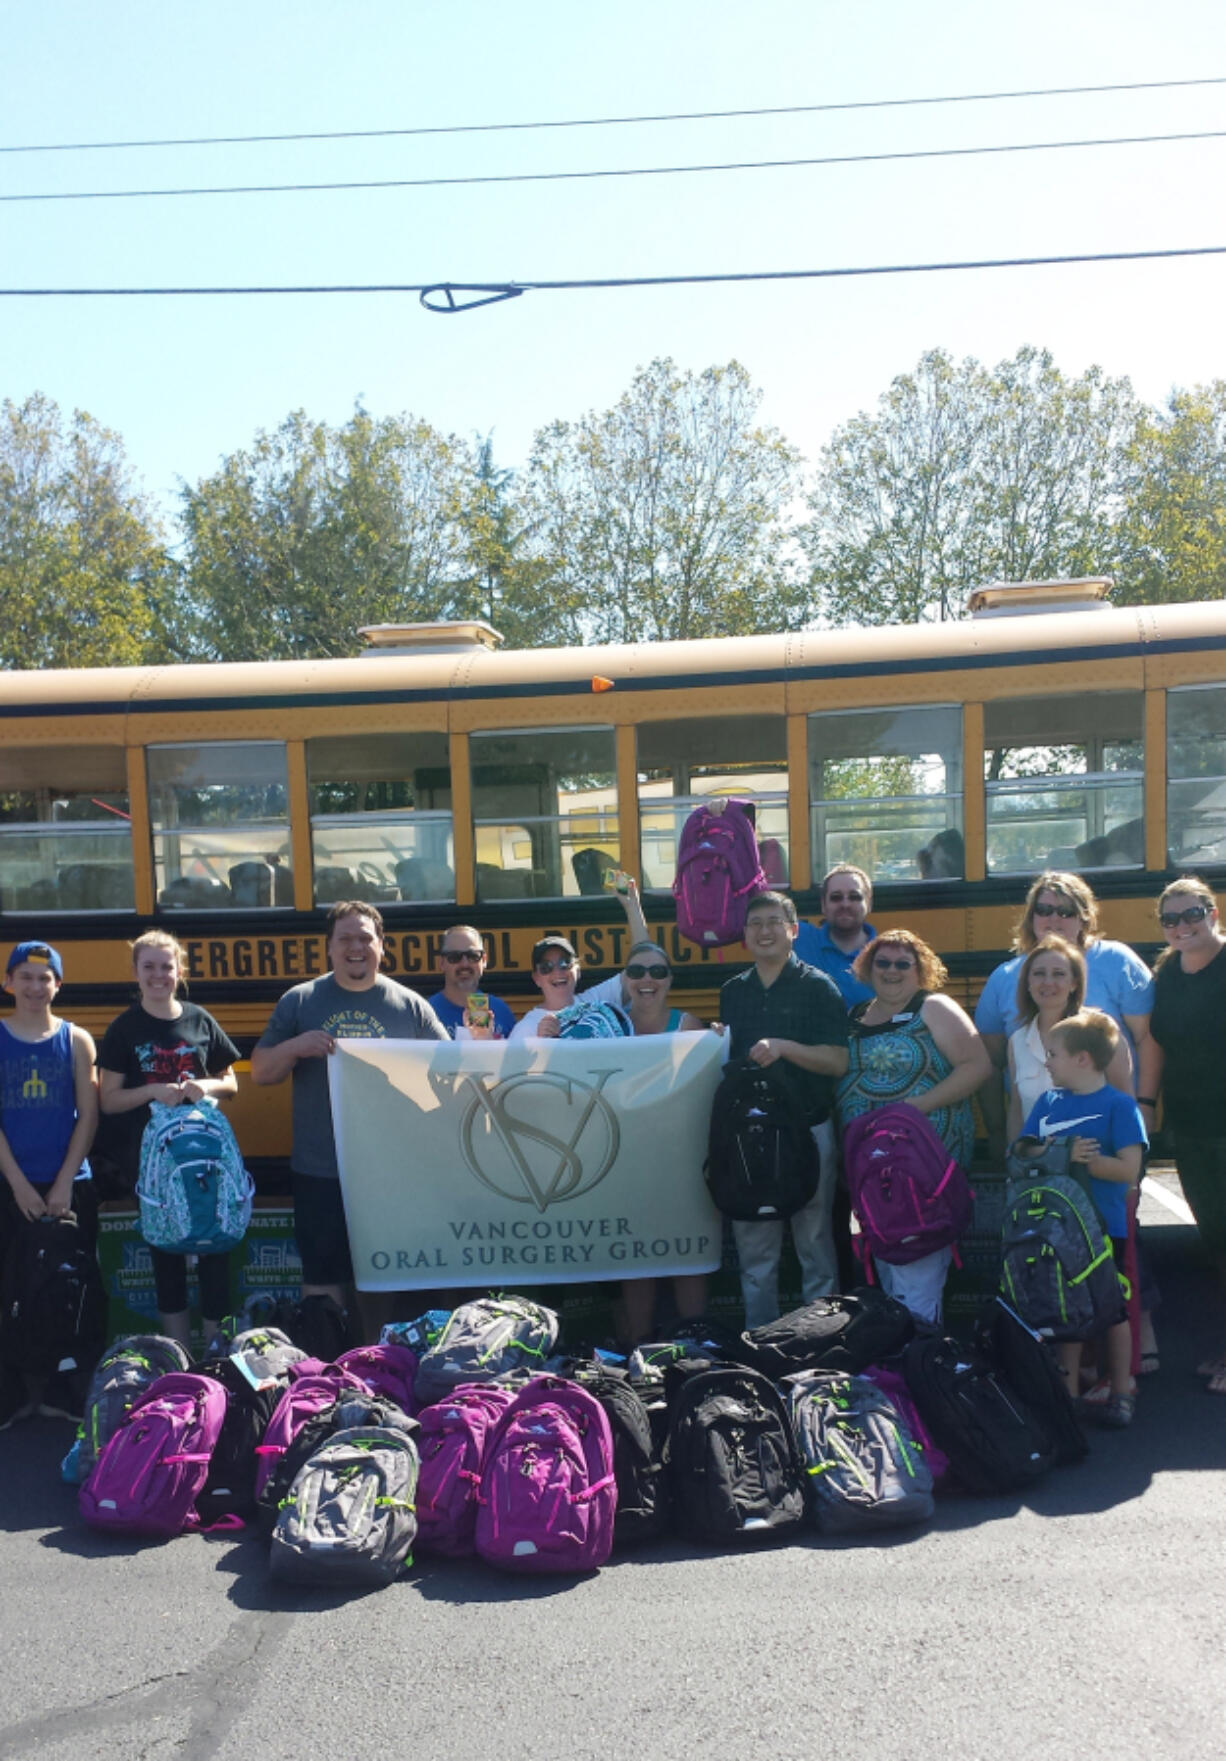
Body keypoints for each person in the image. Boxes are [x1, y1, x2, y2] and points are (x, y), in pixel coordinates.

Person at [250, 901, 447, 1330]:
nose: (356, 947)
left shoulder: (411, 1007)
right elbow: (262, 1071)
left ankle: (379, 1363)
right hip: (320, 1168)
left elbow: (449, 1076)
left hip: (390, 1171)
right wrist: (296, 1047)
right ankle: (324, 1366)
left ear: (382, 946)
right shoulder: (301, 1001)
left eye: (365, 938)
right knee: (322, 1276)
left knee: (386, 1275)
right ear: (329, 947)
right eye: (346, 939)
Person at [837, 929, 991, 1323]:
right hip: (872, 1170)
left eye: (903, 964)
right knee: (890, 1268)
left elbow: (977, 1066)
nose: (891, 971)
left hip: (922, 1169)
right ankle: (905, 1362)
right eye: (882, 962)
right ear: (867, 968)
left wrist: (915, 1108)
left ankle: (922, 1362)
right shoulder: (855, 1016)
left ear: (920, 970)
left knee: (917, 1270)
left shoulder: (933, 1008)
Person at [97, 931, 239, 1351]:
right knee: (167, 1257)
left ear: (179, 971)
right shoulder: (124, 1028)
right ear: (136, 973)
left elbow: (231, 1083)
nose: (159, 975)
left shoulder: (199, 1019)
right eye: (149, 967)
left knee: (216, 1252)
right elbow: (108, 1100)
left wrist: (204, 1084)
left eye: (166, 967)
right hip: (154, 1165)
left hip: (204, 1157)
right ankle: (179, 1358)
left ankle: (217, 1357)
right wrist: (153, 1091)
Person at [719, 891, 850, 1328]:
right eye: (755, 923)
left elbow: (837, 1061)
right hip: (750, 1135)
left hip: (808, 1129)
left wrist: (785, 1048)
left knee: (814, 1239)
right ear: (744, 936)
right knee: (755, 1246)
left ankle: (820, 1335)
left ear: (794, 931)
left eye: (775, 922)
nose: (765, 931)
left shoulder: (818, 988)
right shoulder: (733, 992)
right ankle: (760, 1338)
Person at [975, 871, 1159, 1159]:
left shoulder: (1117, 962)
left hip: (1104, 1148)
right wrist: (1002, 1138)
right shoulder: (1004, 979)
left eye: (1066, 911)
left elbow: (1147, 1038)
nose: (1054, 919)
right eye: (1044, 910)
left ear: (1084, 917)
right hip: (1035, 1154)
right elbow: (990, 1061)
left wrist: (1145, 1106)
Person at [1020, 1008, 1146, 1428]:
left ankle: (1122, 1392)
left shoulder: (1120, 1106)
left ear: (1082, 1059)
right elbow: (1023, 1151)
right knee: (1065, 1311)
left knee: (1114, 1310)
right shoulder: (1048, 1102)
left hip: (1104, 1228)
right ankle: (1068, 1395)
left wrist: (1088, 1161)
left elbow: (1129, 1169)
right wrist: (1058, 1153)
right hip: (1055, 1230)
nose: (1046, 1062)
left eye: (1053, 1053)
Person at [0, 941, 99, 1428]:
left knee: (69, 1289)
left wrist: (63, 1183)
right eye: (26, 977)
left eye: (45, 978)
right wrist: (17, 1183)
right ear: (8, 983)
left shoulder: (76, 1040)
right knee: (9, 1283)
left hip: (67, 1186)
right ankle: (12, 1390)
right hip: (11, 1182)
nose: (35, 987)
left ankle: (64, 1387)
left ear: (59, 985)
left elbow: (88, 1115)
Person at [1148, 877, 1226, 1394]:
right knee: (1216, 1241)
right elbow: (1155, 1042)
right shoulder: (1168, 973)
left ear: (1213, 911)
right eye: (1170, 919)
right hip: (1195, 1128)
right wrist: (1146, 1112)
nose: (1182, 926)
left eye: (1192, 914)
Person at [617, 939, 707, 1341]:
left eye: (656, 972)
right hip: (626, 1158)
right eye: (636, 972)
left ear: (669, 980)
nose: (646, 980)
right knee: (638, 1261)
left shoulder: (689, 1026)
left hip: (680, 1157)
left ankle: (694, 1345)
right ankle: (638, 1348)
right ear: (625, 980)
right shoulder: (609, 1026)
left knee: (687, 1255)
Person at [1006, 936, 1132, 1140]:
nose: (1048, 982)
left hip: (1094, 1162)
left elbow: (1124, 1100)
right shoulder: (1017, 1041)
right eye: (1039, 974)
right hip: (1038, 1164)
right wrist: (1015, 1157)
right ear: (1028, 983)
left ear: (1074, 983)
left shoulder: (1101, 1029)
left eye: (1059, 974)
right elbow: (1017, 1110)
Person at [509, 876, 650, 1040]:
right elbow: (517, 1065)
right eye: (546, 967)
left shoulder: (595, 1001)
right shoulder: (526, 1028)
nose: (558, 972)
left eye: (565, 963)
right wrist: (540, 1042)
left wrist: (632, 906)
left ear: (578, 969)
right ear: (536, 979)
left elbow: (642, 965)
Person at [792, 865, 876, 1006]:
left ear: (869, 903)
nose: (845, 904)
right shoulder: (798, 937)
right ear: (823, 905)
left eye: (854, 897)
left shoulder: (887, 957)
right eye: (836, 897)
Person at [429, 926, 515, 1040]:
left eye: (473, 956)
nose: (465, 964)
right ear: (442, 963)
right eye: (454, 957)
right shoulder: (427, 1013)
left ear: (484, 960)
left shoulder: (501, 1011)